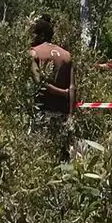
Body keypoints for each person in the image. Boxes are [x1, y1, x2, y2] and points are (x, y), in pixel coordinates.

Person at [28, 15, 74, 161]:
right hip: (63, 113)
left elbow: (39, 82)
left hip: (42, 112)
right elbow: (73, 87)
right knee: (63, 156)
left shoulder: (34, 53)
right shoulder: (66, 55)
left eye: (33, 33)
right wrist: (71, 115)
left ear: (40, 34)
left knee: (40, 155)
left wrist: (61, 93)